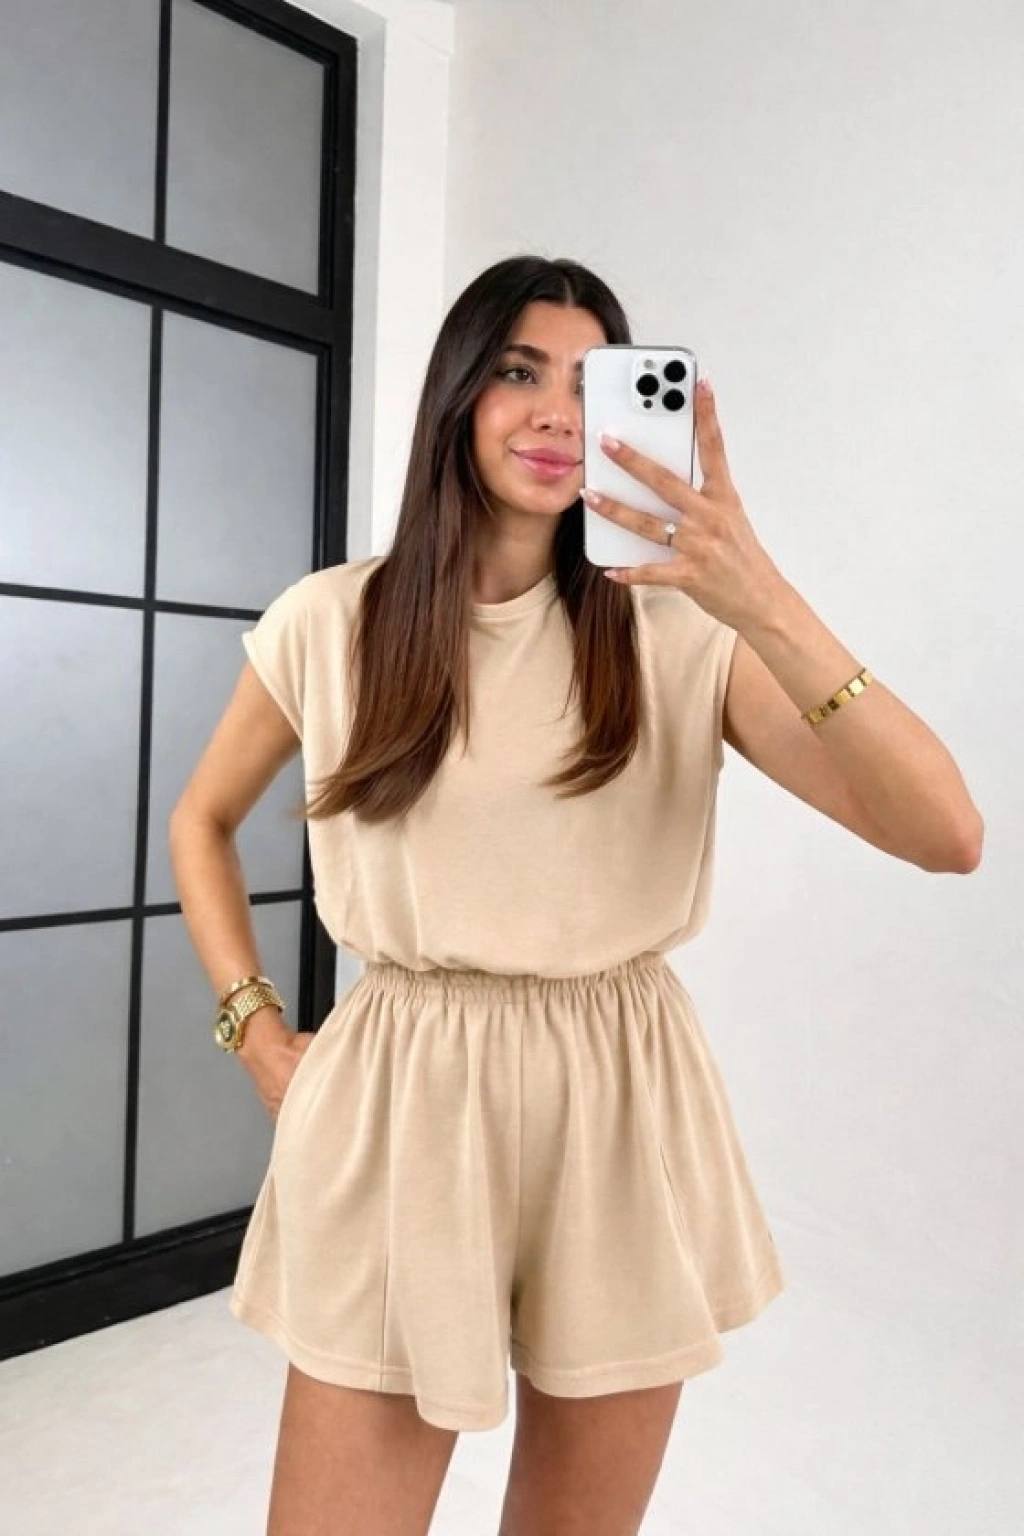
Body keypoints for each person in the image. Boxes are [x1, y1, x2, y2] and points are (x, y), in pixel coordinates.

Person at [168, 255, 984, 1536]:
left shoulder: (683, 635)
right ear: (457, 396)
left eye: (591, 384)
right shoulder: (331, 621)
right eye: (517, 371)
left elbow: (946, 834)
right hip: (404, 1097)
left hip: (618, 1100)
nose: (555, 411)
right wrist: (254, 1028)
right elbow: (200, 821)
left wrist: (760, 596)